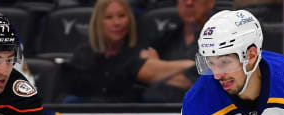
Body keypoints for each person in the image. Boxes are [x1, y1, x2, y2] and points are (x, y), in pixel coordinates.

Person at [64, 0, 195, 103]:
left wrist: (192, 65)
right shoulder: (82, 55)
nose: (117, 23)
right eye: (109, 17)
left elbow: (156, 73)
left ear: (130, 20)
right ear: (98, 22)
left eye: (122, 16)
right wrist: (191, 64)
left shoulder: (140, 53)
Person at [141, 0, 214, 102]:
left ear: (210, 2)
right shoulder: (165, 38)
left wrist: (160, 70)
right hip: (160, 110)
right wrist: (190, 65)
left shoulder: (218, 39)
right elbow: (145, 72)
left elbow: (209, 79)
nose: (189, 3)